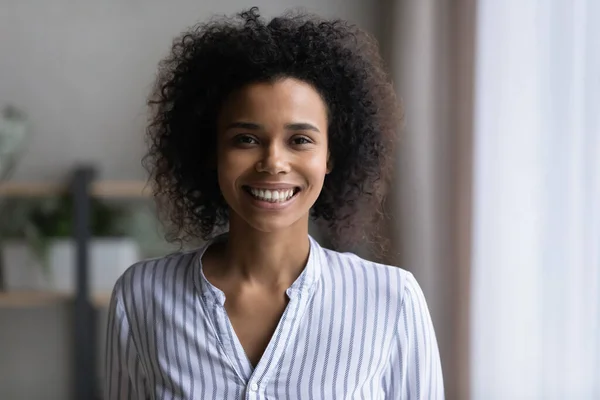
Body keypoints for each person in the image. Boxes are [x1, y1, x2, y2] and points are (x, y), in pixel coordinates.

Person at [104, 7, 444, 400]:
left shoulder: (391, 298)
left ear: (331, 155)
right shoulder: (142, 296)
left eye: (300, 140)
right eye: (246, 139)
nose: (273, 162)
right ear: (211, 151)